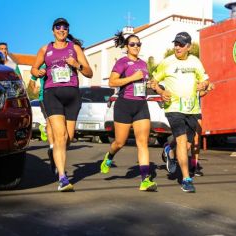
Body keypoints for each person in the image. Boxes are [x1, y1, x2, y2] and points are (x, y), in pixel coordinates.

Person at [31, 18, 93, 192]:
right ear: (53, 31)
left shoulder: (75, 48)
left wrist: (77, 65)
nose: (61, 29)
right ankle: (63, 178)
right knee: (59, 136)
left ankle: (54, 154)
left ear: (67, 30)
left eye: (64, 27)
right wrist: (39, 71)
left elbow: (89, 72)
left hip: (72, 96)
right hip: (52, 94)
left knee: (68, 138)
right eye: (58, 27)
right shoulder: (45, 49)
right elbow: (34, 69)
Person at [151, 32, 209, 193]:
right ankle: (186, 179)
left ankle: (169, 149)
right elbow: (153, 82)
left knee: (188, 145)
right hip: (174, 108)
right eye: (175, 44)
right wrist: (160, 92)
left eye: (181, 45)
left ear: (189, 47)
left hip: (192, 109)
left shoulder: (195, 62)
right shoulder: (167, 62)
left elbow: (205, 79)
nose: (177, 47)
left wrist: (203, 84)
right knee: (182, 142)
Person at [100, 31, 157, 192]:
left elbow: (143, 84)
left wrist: (151, 85)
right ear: (126, 47)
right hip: (124, 105)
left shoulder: (144, 64)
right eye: (132, 44)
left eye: (138, 44)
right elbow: (112, 82)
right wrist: (132, 78)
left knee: (142, 142)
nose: (136, 47)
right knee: (120, 142)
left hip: (141, 105)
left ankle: (145, 180)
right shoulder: (122, 62)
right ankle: (109, 156)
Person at [28, 63, 57, 175]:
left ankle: (44, 128)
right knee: (50, 122)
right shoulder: (42, 66)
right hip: (44, 98)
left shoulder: (60, 63)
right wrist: (34, 89)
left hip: (59, 97)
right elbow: (31, 80)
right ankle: (51, 148)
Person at [190, 82, 215, 177]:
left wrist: (207, 90)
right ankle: (170, 148)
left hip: (196, 111)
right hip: (183, 111)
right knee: (183, 141)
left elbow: (199, 94)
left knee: (196, 140)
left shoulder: (198, 73)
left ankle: (194, 166)